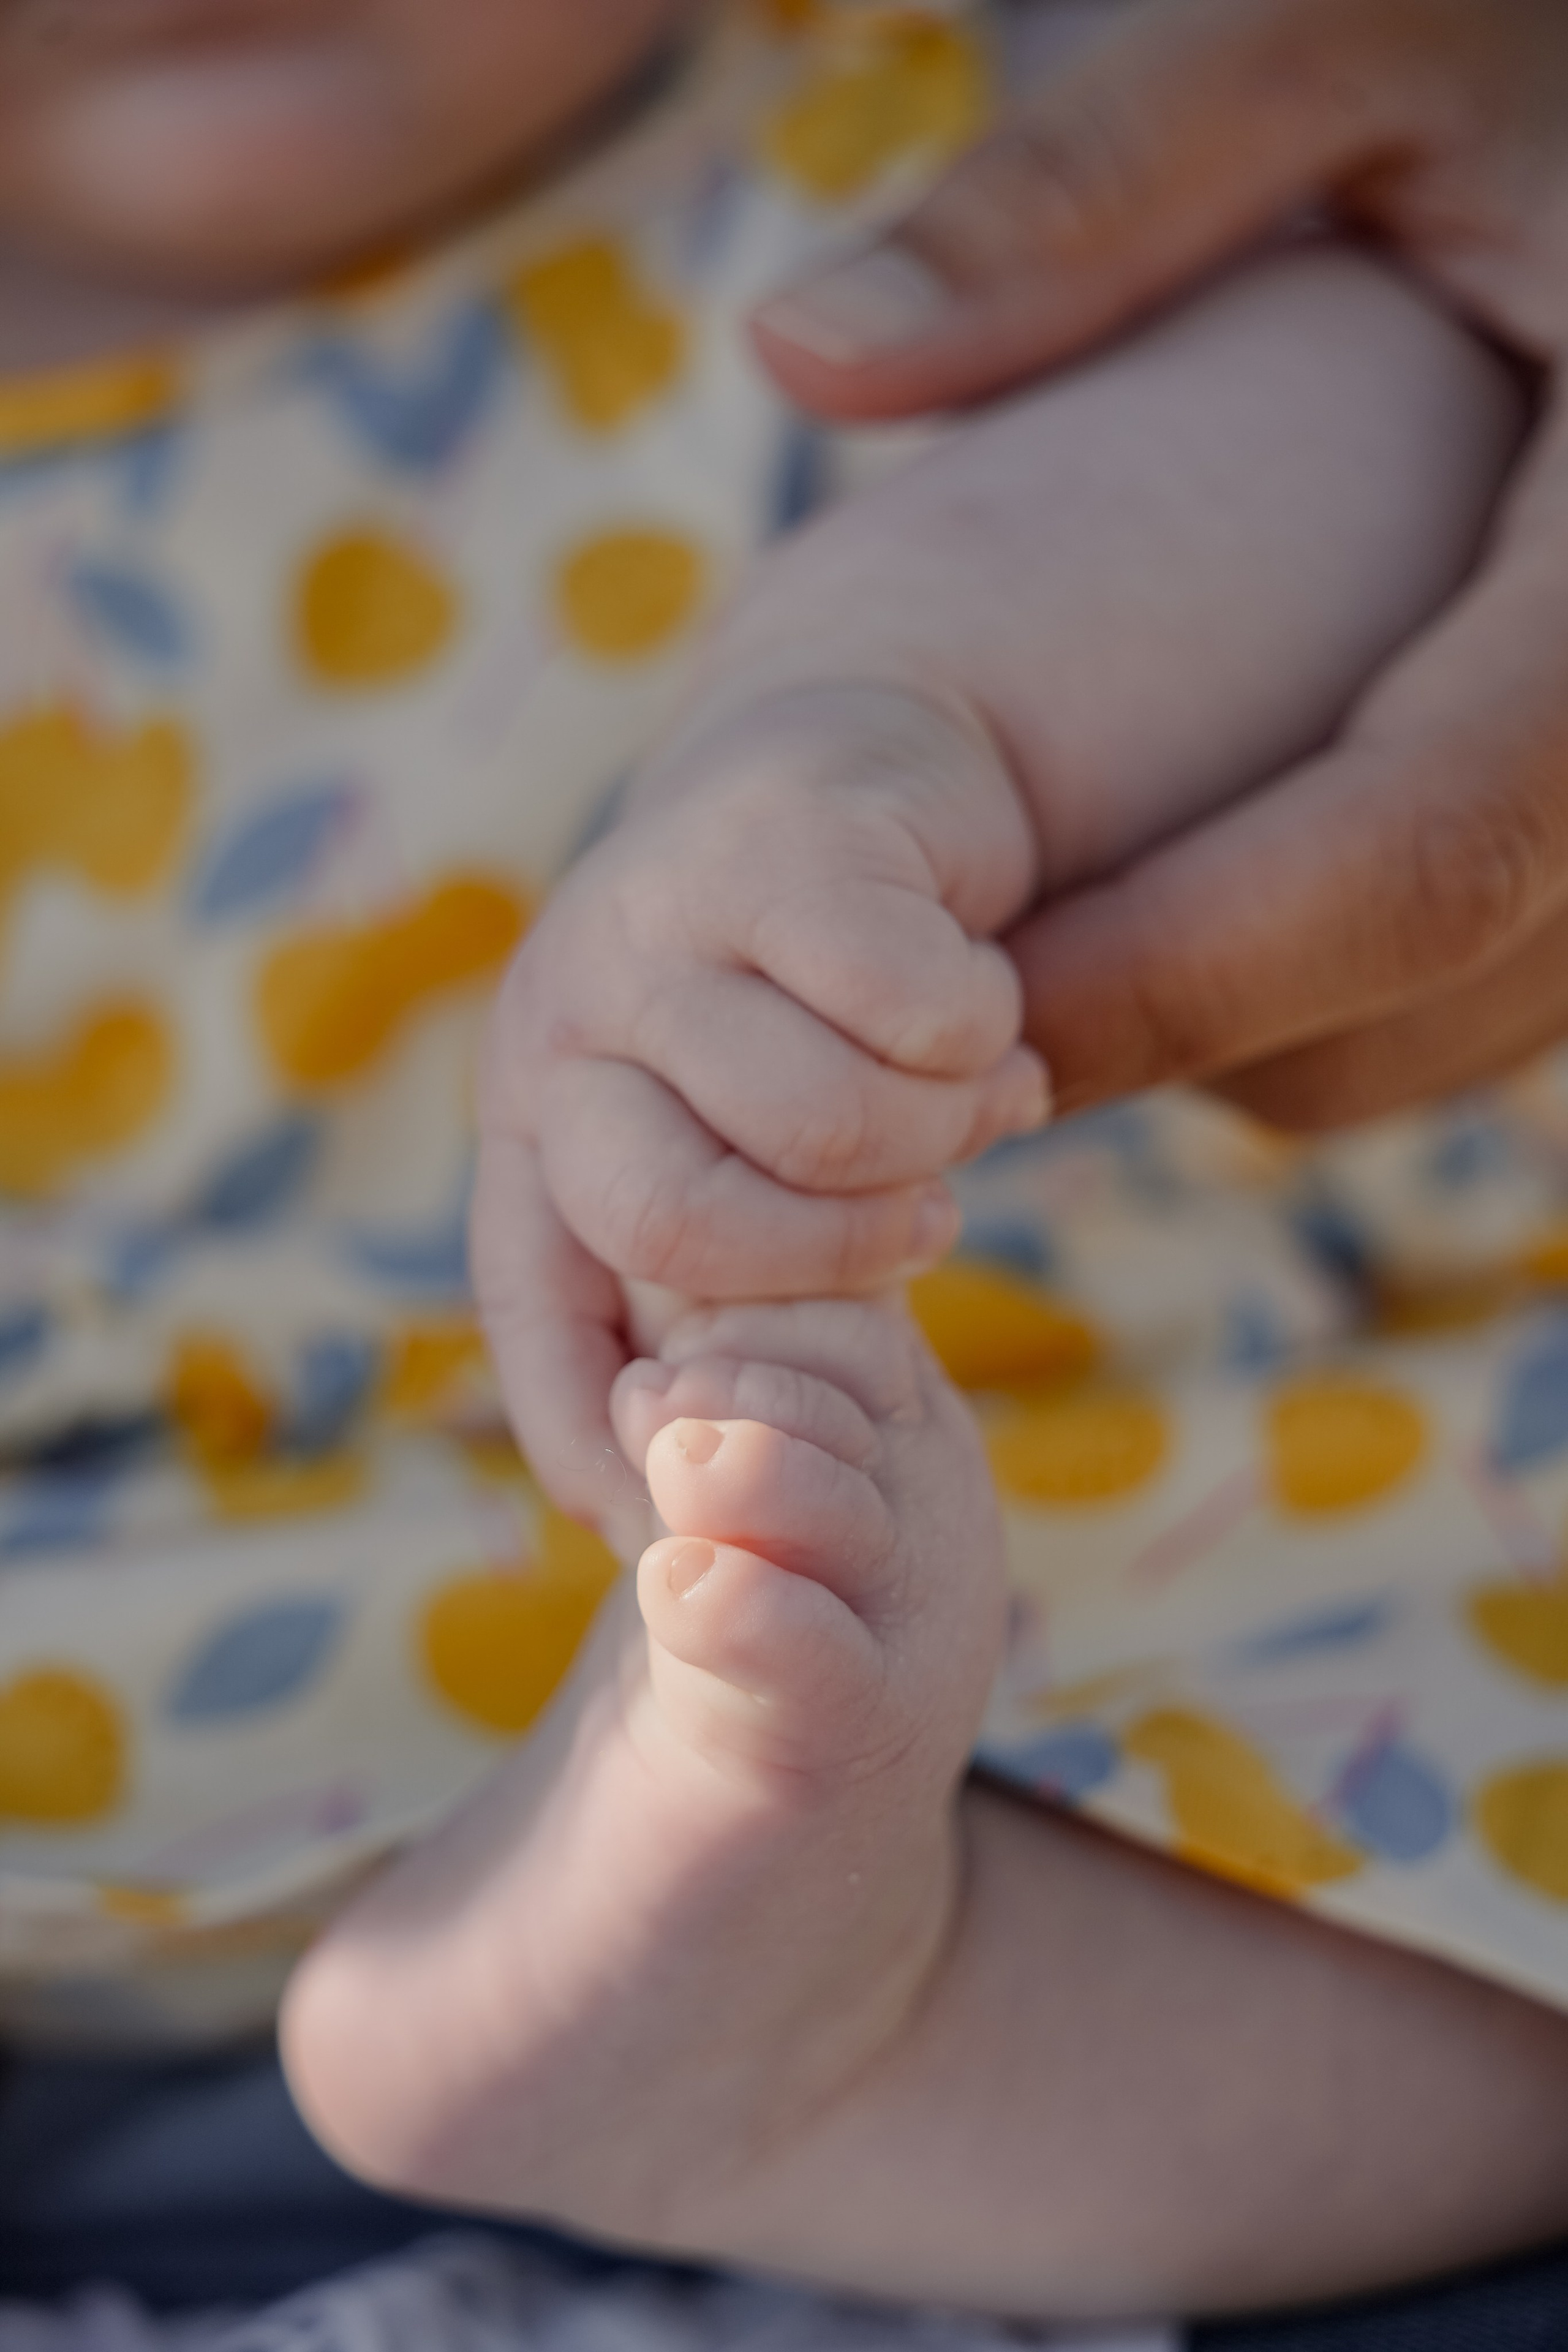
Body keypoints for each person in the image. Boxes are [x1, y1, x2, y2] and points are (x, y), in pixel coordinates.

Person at [0, 0, 1561, 2335]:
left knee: (1468, 1967)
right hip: (173, 1621)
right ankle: (754, 2003)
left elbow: (1350, 418)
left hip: (1315, 1513)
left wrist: (884, 716)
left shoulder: (894, 159)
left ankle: (785, 2011)